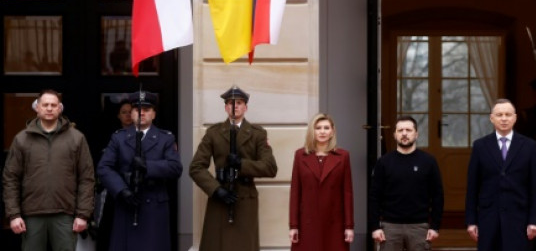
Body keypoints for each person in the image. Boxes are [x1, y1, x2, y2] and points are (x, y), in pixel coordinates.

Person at [2, 89, 96, 251]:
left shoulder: (76, 138)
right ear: (37, 108)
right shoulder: (22, 139)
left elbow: (86, 178)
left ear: (60, 108)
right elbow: (11, 178)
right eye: (45, 105)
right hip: (32, 214)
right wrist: (14, 215)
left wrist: (83, 214)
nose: (49, 108)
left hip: (65, 214)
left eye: (53, 105)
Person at [190, 85, 278, 251]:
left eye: (239, 103)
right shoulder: (213, 133)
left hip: (245, 198)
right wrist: (216, 190)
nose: (234, 106)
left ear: (245, 107)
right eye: (231, 103)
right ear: (225, 107)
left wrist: (241, 164)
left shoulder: (257, 134)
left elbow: (270, 167)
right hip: (220, 196)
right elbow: (196, 167)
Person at [97, 90, 182, 251]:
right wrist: (121, 190)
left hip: (154, 206)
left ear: (154, 114)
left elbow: (175, 167)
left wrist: (147, 166)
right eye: (137, 109)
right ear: (132, 113)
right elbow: (104, 167)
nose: (141, 113)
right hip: (127, 203)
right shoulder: (119, 138)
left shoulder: (165, 138)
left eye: (147, 109)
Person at [465, 98, 536, 251]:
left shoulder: (529, 146)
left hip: (519, 219)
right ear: (491, 118)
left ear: (515, 118)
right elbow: (472, 187)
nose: (504, 118)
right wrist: (471, 221)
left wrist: (534, 220)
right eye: (499, 115)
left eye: (508, 114)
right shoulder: (480, 146)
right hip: (488, 219)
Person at [369, 115, 444, 250]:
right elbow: (374, 197)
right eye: (400, 130)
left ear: (416, 134)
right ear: (395, 135)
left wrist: (435, 226)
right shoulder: (383, 162)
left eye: (408, 130)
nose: (404, 133)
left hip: (419, 227)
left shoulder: (428, 162)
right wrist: (375, 227)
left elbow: (438, 196)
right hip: (390, 227)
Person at [288, 113, 354, 250]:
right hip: (307, 222)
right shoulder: (300, 155)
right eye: (318, 128)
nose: (322, 131)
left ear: (332, 132)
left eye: (326, 128)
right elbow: (295, 192)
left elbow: (347, 194)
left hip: (334, 223)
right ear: (312, 131)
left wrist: (349, 226)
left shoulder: (343, 156)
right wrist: (293, 225)